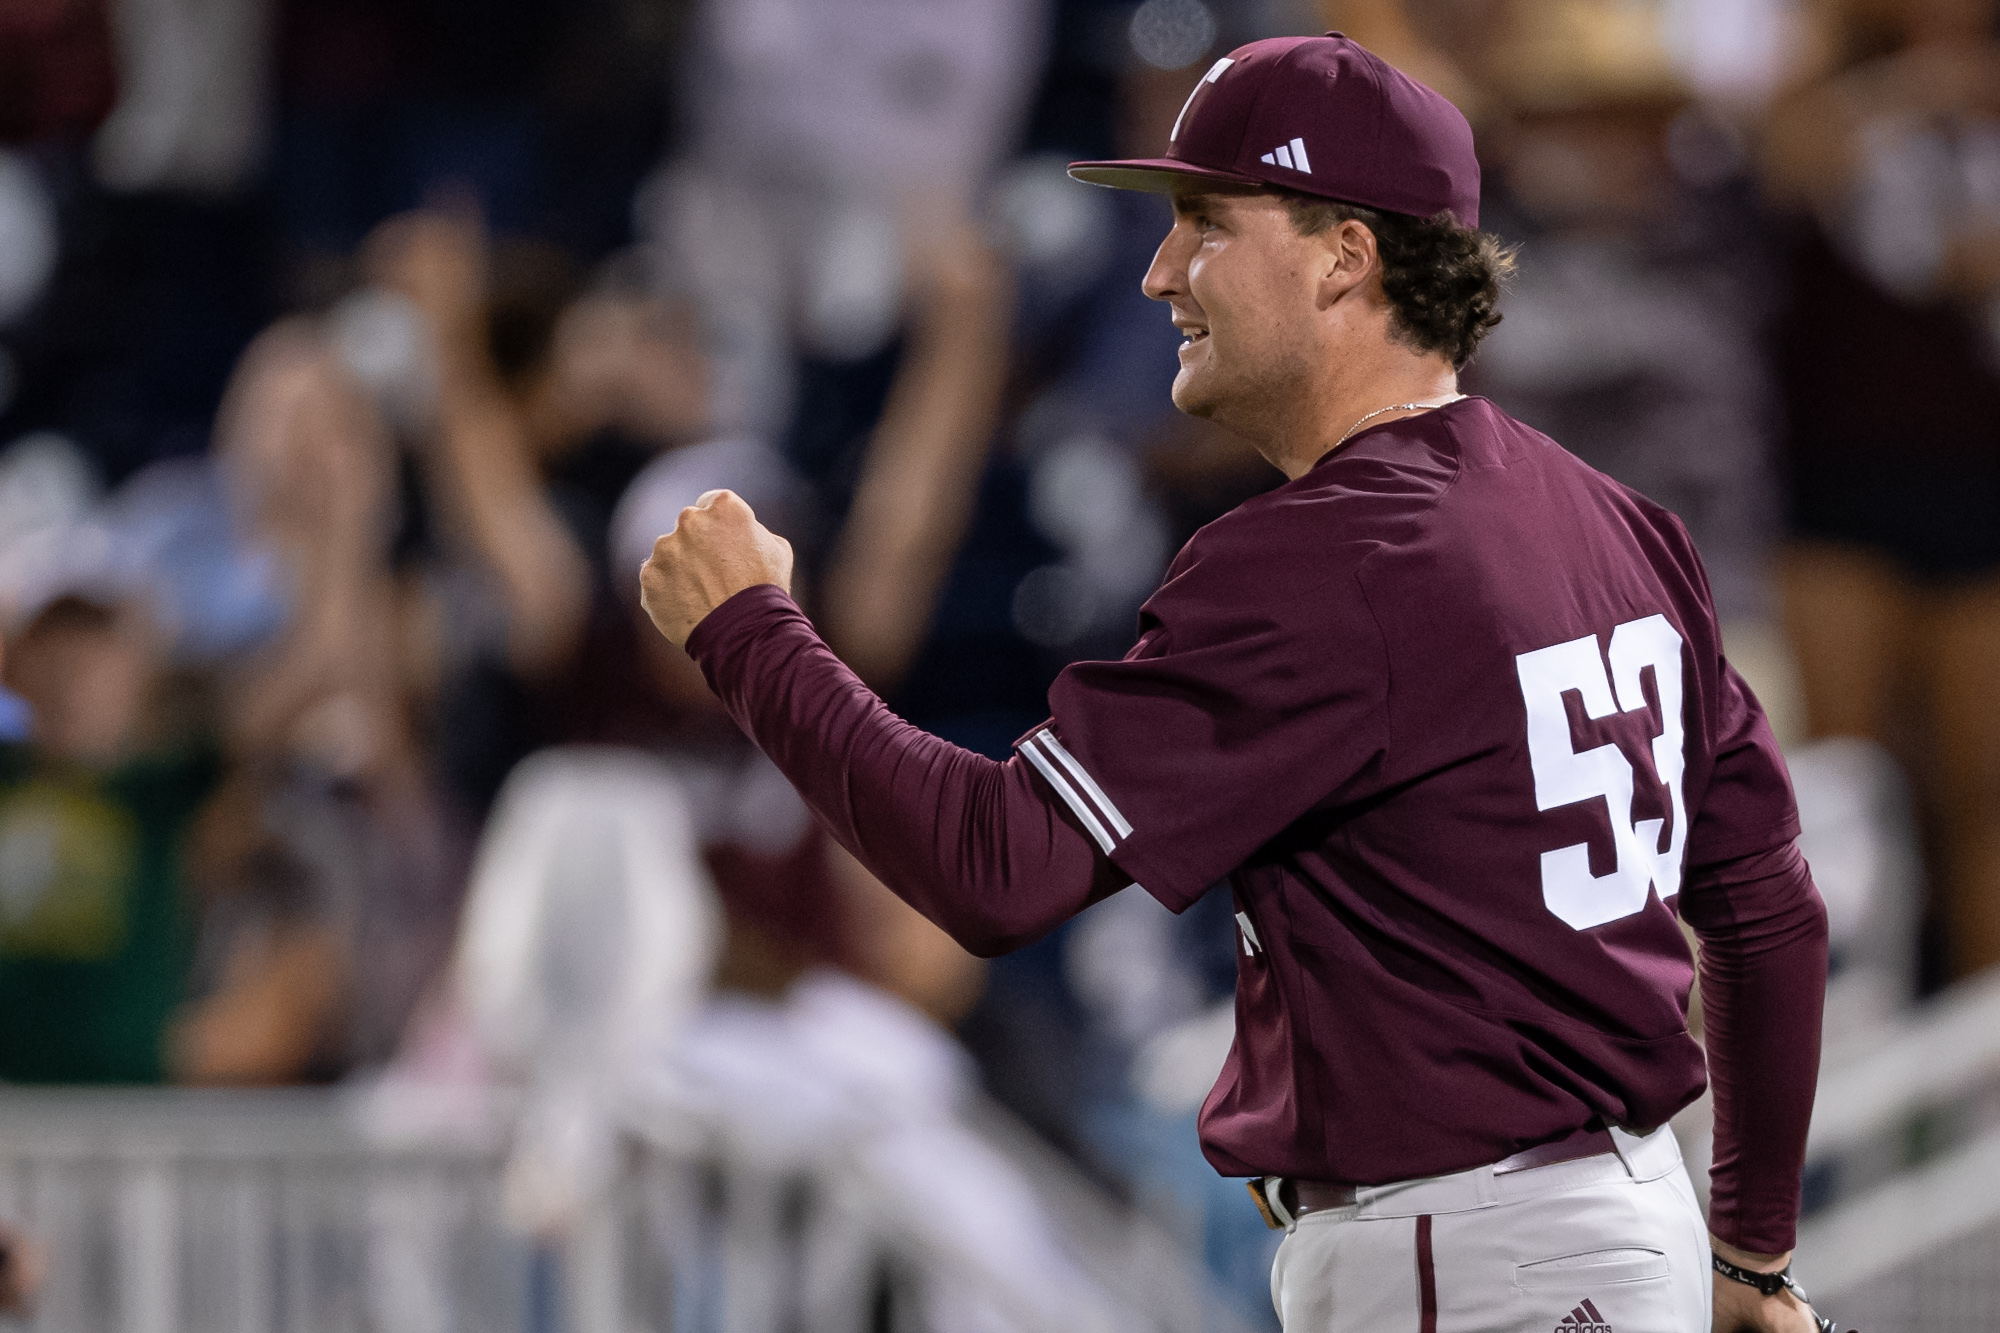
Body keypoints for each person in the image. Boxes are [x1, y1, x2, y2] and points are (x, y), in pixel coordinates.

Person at [636, 34, 1831, 1333]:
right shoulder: (1618, 523)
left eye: (1206, 224)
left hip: (1472, 1256)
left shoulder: (1330, 554)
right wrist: (1752, 1252)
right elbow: (1767, 911)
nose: (1159, 274)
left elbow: (993, 864)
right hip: (1598, 1223)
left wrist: (750, 632)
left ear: (1346, 256)